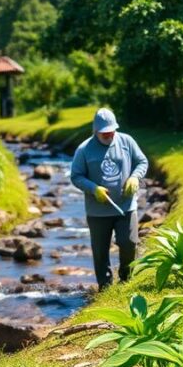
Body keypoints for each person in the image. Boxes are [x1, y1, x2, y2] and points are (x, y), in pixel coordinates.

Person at [70, 107, 149, 290]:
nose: (109, 135)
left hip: (126, 206)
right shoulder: (84, 149)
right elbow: (76, 176)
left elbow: (142, 162)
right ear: (95, 131)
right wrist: (93, 188)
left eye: (111, 131)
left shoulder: (127, 141)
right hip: (97, 212)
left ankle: (126, 279)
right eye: (104, 132)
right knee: (100, 251)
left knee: (129, 243)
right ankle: (105, 286)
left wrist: (135, 177)